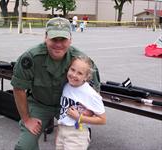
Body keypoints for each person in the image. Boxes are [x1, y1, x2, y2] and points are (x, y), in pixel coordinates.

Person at [11, 17, 101, 150]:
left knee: (74, 144)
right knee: (25, 146)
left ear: (70, 40)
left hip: (69, 106)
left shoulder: (81, 60)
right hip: (39, 104)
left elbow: (95, 90)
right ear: (45, 38)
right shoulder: (31, 58)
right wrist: (26, 119)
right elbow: (19, 89)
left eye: (63, 39)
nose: (58, 44)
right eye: (54, 39)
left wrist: (85, 115)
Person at [55, 56, 106, 150]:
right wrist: (59, 129)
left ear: (86, 77)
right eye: (72, 69)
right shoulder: (67, 85)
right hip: (62, 130)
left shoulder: (90, 93)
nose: (74, 75)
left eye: (80, 73)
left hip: (77, 134)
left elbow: (102, 119)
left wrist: (79, 117)